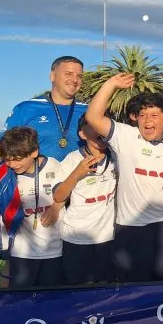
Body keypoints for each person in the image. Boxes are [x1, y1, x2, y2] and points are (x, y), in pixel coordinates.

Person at [0, 55, 85, 286]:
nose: (74, 80)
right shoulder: (27, 108)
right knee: (16, 261)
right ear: (52, 76)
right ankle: (8, 307)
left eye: (79, 75)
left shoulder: (89, 110)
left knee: (64, 264)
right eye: (69, 73)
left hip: (77, 195)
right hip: (31, 196)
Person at [85, 73, 163, 282]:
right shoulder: (125, 136)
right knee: (133, 282)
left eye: (154, 115)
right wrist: (111, 83)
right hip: (131, 226)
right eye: (142, 115)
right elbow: (93, 117)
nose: (147, 121)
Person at [52, 116, 119, 284]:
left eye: (102, 126)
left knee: (107, 288)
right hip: (76, 238)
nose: (100, 130)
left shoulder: (117, 157)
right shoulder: (72, 159)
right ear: (82, 134)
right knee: (77, 290)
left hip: (108, 238)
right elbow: (58, 196)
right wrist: (77, 173)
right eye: (93, 126)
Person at [0, 127, 64, 288]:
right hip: (21, 252)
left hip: (54, 249)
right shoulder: (5, 175)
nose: (12, 164)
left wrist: (55, 206)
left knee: (50, 300)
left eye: (17, 159)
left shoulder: (54, 166)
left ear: (34, 152)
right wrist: (5, 251)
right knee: (20, 301)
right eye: (7, 159)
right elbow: (2, 213)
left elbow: (65, 193)